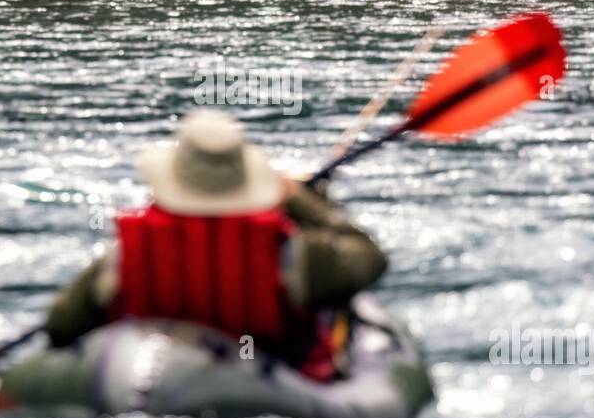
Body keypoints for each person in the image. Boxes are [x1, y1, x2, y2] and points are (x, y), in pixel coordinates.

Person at [41, 109, 388, 381]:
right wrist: (301, 200)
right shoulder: (294, 255)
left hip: (150, 385)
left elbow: (61, 326)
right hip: (264, 380)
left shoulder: (129, 256)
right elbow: (368, 258)